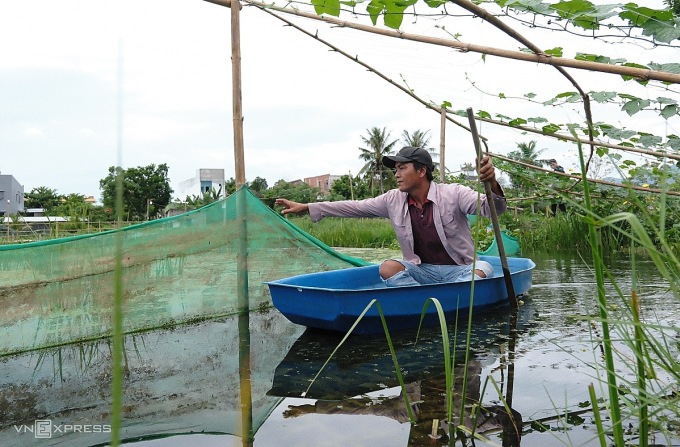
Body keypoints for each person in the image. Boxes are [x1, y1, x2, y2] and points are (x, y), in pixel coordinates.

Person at [275, 146, 507, 287]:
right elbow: (354, 207)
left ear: (422, 171)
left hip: (459, 270)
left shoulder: (454, 193)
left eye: (402, 168)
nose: (396, 174)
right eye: (395, 169)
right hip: (422, 271)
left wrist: (491, 182)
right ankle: (417, 299)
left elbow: (493, 209)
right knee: (388, 268)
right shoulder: (392, 199)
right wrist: (306, 206)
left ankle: (451, 296)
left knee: (483, 268)